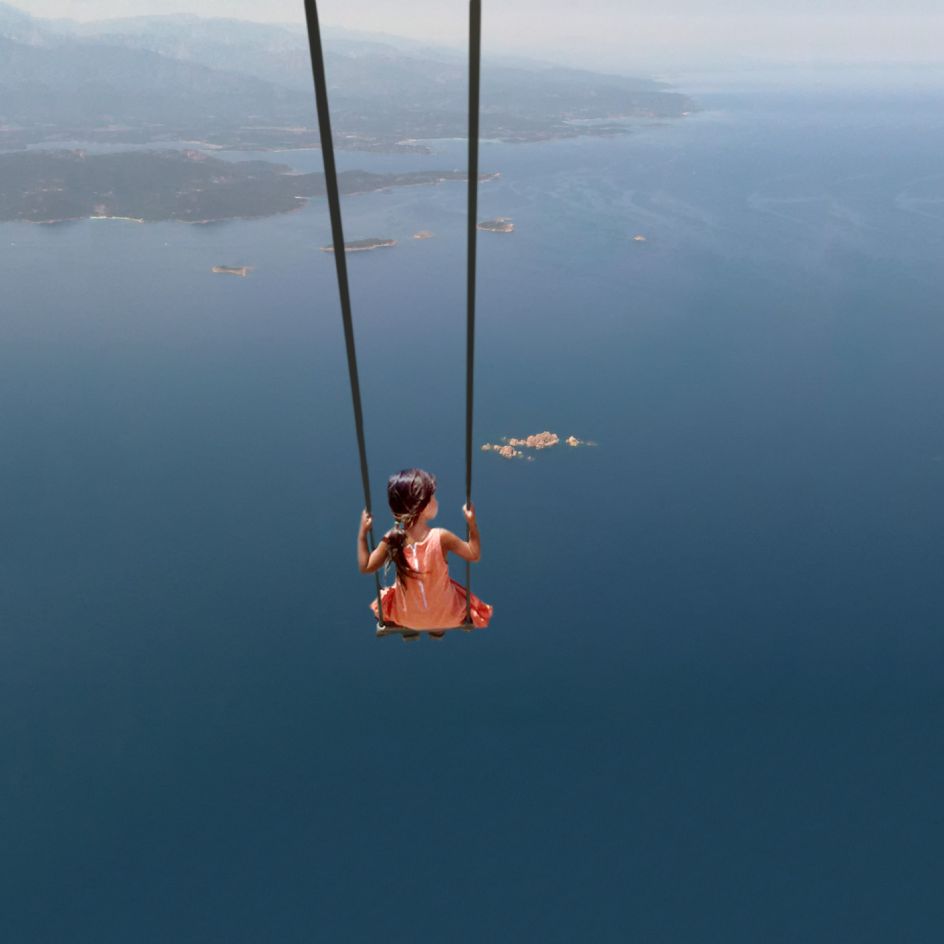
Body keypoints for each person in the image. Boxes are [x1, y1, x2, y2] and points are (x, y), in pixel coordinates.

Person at [357, 468, 493, 634]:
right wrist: (472, 523)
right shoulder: (441, 537)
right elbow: (474, 554)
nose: (437, 501)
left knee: (389, 595)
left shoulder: (392, 538)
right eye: (433, 497)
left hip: (406, 617)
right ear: (423, 506)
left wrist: (362, 533)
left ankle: (422, 623)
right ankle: (436, 626)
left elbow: (366, 566)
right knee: (455, 593)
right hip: (447, 616)